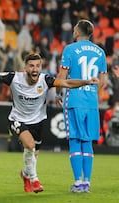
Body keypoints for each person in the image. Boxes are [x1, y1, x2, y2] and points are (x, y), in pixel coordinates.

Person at [0, 53, 99, 193]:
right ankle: (34, 180)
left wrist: (86, 82)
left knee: (32, 155)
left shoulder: (46, 80)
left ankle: (25, 174)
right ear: (25, 68)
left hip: (37, 122)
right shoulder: (14, 78)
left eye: (38, 66)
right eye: (31, 66)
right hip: (17, 120)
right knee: (29, 145)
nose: (35, 69)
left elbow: (66, 82)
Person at [55, 19, 107, 193]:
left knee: (75, 141)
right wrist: (91, 94)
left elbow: (61, 77)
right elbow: (102, 82)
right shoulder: (100, 52)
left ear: (77, 32)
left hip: (74, 101)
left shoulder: (70, 49)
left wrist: (56, 94)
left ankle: (77, 183)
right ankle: (87, 183)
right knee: (88, 141)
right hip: (91, 103)